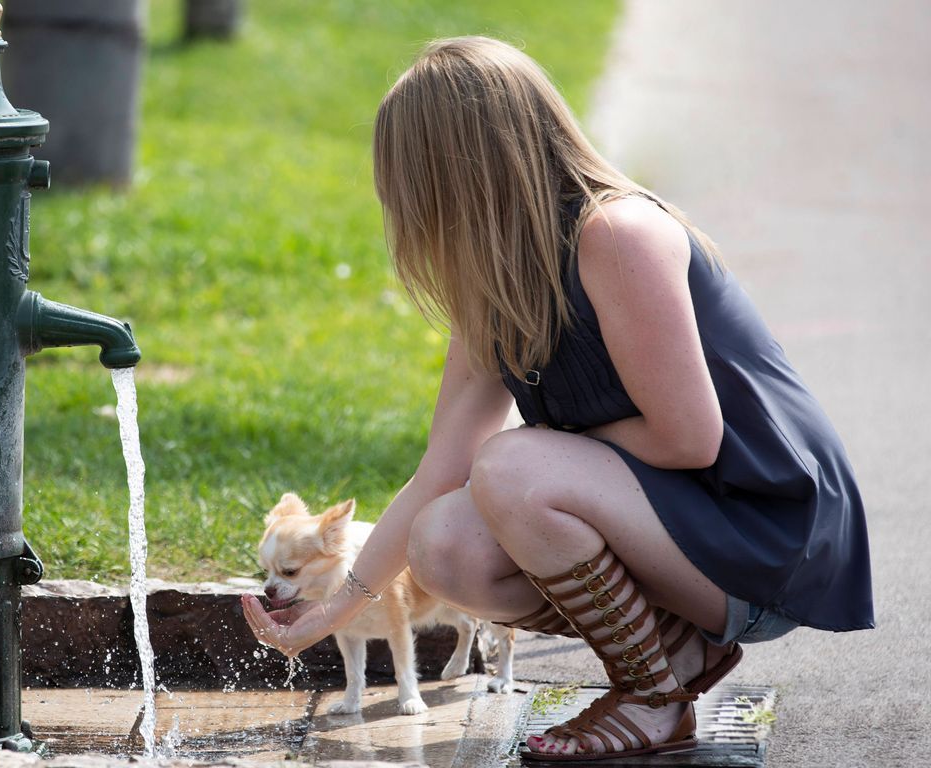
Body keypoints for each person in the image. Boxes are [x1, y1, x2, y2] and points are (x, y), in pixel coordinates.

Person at [241, 36, 873, 761]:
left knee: (510, 467)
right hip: (682, 534)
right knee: (443, 544)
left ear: (458, 171)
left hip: (763, 534)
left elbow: (691, 439)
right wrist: (330, 610)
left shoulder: (616, 234)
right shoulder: (498, 287)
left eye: (407, 180)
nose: (402, 207)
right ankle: (671, 658)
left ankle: (653, 697)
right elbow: (440, 471)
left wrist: (537, 459)